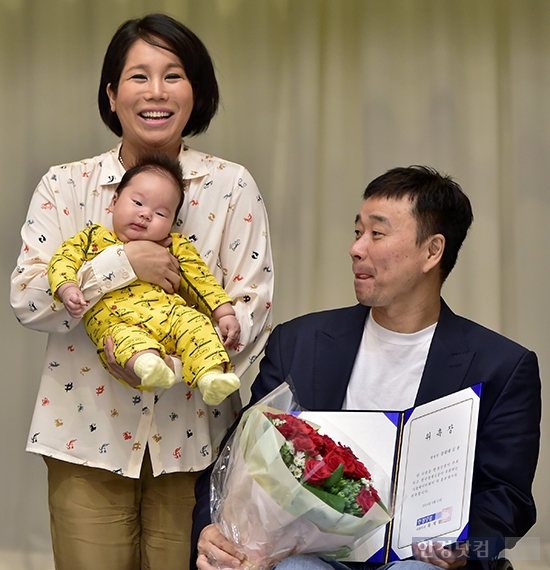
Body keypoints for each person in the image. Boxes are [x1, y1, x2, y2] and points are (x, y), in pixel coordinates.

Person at [10, 13, 273, 570]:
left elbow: (252, 306)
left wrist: (172, 363)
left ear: (196, 93)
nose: (156, 92)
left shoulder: (231, 185)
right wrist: (121, 264)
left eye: (173, 75)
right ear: (111, 95)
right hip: (84, 436)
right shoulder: (65, 184)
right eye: (138, 76)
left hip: (197, 444)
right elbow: (29, 300)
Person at [193, 166, 541, 570]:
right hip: (307, 550)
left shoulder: (501, 365)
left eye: (377, 234)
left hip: (422, 558)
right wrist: (215, 529)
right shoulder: (300, 342)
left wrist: (464, 550)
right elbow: (238, 456)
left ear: (432, 251)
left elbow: (506, 496)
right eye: (357, 232)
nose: (357, 248)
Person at [48, 153, 242, 405]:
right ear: (115, 200)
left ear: (173, 222)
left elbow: (202, 281)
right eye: (138, 203)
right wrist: (67, 287)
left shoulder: (174, 246)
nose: (146, 215)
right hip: (119, 321)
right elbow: (63, 260)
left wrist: (224, 314)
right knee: (122, 339)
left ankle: (211, 375)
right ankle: (148, 362)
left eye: (161, 214)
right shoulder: (93, 238)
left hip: (171, 317)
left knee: (196, 324)